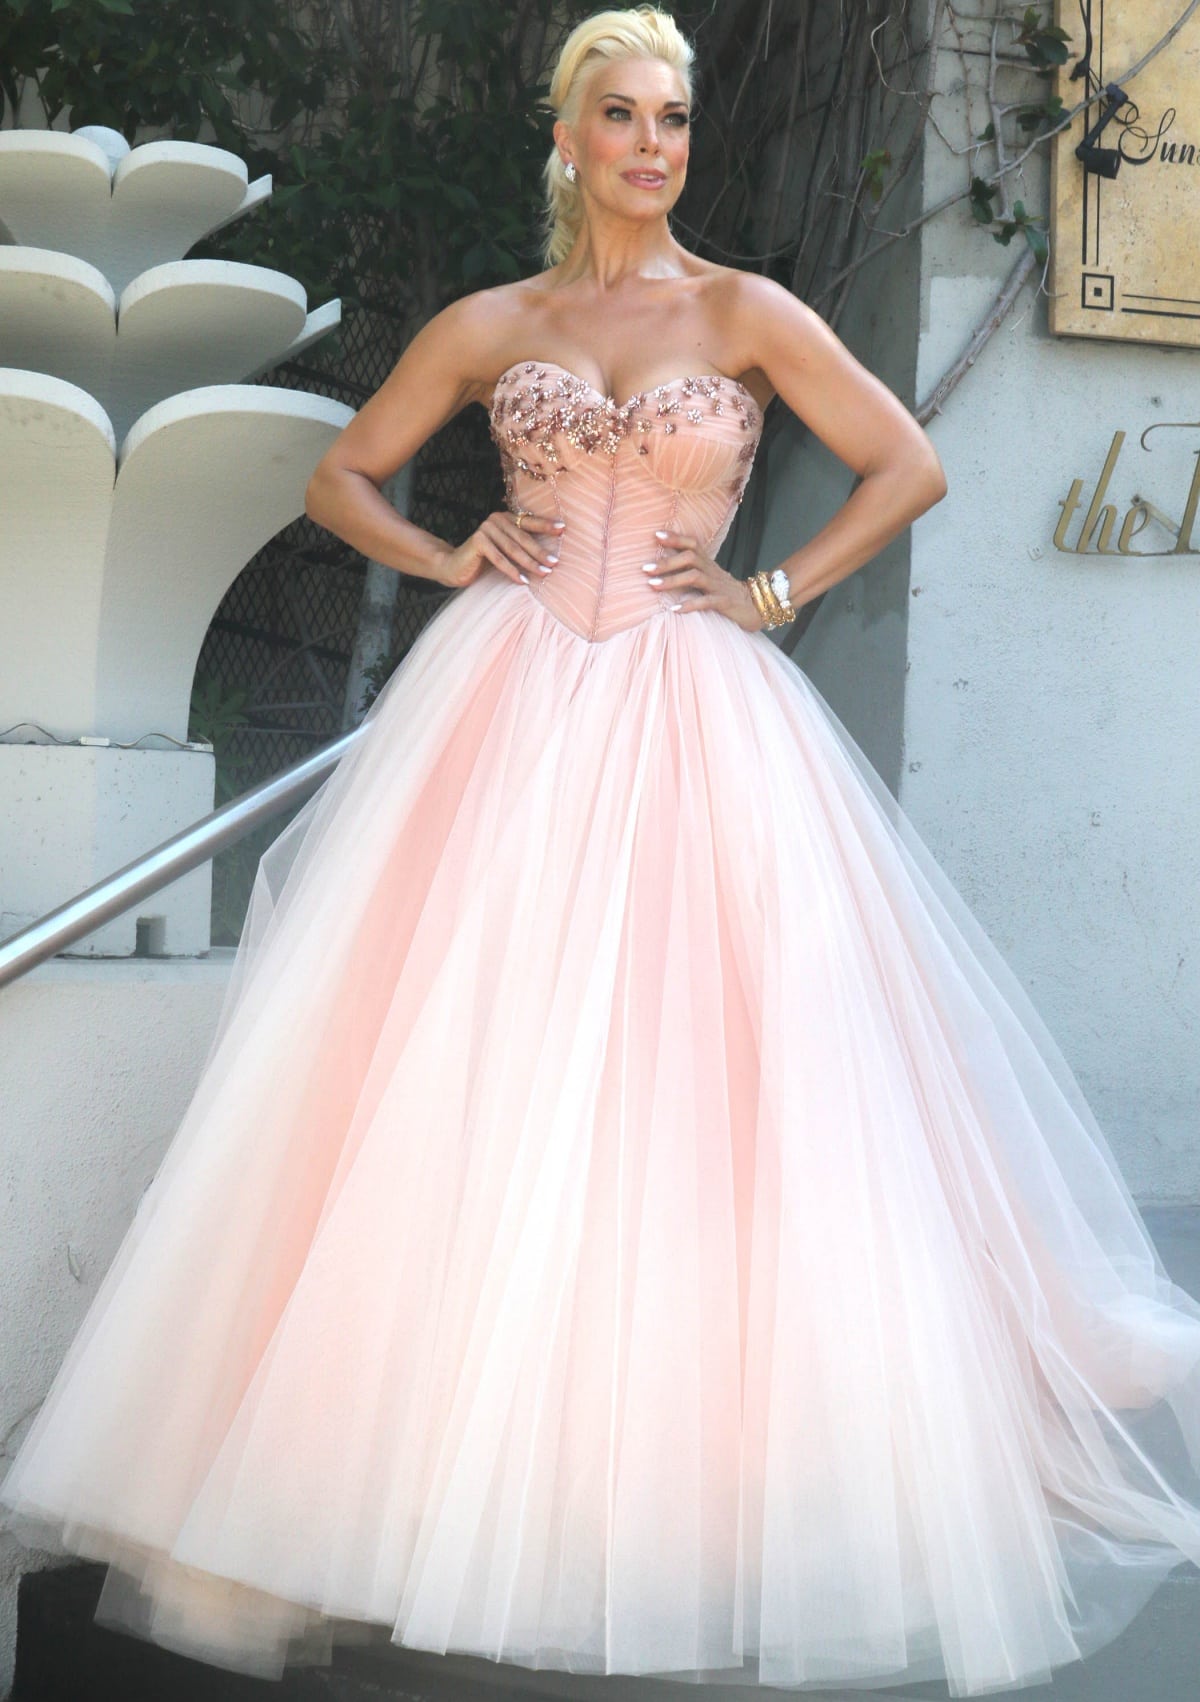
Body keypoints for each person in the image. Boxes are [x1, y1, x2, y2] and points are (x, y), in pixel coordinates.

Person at [3, 7, 1200, 1698]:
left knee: (698, 1080)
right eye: (623, 117)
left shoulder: (749, 310)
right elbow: (342, 472)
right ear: (566, 138)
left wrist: (775, 591)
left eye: (676, 118)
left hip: (695, 706)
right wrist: (446, 546)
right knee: (459, 1075)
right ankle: (412, 1478)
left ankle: (693, 1488)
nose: (655, 145)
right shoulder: (501, 323)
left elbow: (908, 464)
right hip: (505, 704)